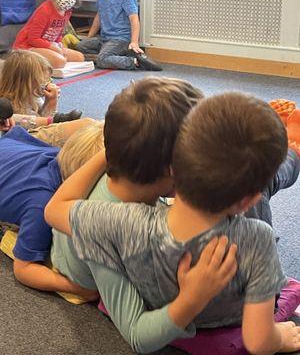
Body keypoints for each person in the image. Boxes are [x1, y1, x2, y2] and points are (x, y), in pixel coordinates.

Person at [46, 92, 300, 355]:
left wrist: (113, 152)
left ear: (174, 167)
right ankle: (287, 153)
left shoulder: (119, 221)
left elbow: (54, 210)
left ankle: (275, 149)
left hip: (180, 307)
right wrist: (279, 339)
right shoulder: (258, 238)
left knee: (257, 178)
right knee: (264, 184)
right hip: (230, 320)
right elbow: (259, 342)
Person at [0, 122, 104, 296]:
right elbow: (23, 269)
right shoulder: (42, 205)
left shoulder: (61, 157)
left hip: (11, 146)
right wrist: (77, 288)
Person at [76, 0, 162, 71]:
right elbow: (99, 16)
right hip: (104, 39)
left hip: (120, 40)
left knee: (102, 59)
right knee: (79, 47)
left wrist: (134, 42)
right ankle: (109, 57)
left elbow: (134, 20)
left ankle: (134, 61)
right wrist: (89, 37)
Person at [0, 51, 87, 145]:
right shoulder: (7, 103)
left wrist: (51, 102)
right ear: (24, 82)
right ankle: (57, 120)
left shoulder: (33, 97)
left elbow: (44, 123)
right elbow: (38, 129)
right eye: (43, 81)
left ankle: (57, 120)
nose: (47, 83)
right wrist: (51, 121)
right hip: (20, 140)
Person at [13, 0, 84, 69]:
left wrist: (59, 45)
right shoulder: (45, 10)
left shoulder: (67, 11)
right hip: (27, 47)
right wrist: (53, 48)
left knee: (80, 57)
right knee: (60, 62)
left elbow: (58, 34)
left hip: (48, 46)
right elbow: (33, 39)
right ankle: (27, 65)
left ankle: (45, 62)